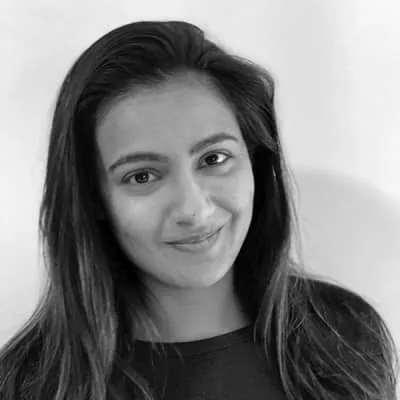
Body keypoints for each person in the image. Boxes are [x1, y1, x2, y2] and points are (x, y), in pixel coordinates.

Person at [0, 20, 398, 400]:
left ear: (255, 163)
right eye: (142, 176)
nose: (193, 209)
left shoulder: (345, 335)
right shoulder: (28, 385)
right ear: (93, 198)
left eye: (214, 159)